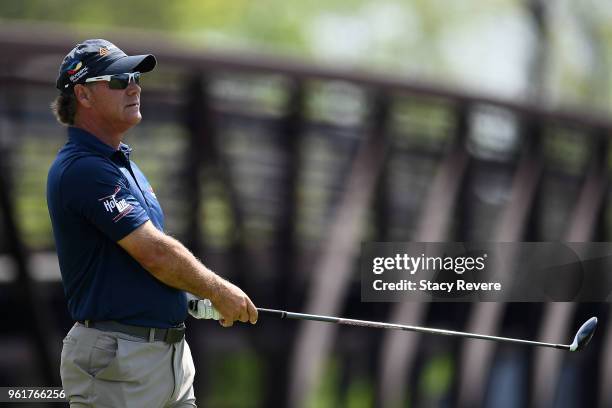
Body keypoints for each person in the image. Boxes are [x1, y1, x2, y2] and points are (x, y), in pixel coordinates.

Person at [46, 39, 258, 407]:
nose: (133, 86)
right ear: (82, 95)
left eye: (135, 78)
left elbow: (136, 263)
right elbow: (154, 253)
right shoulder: (84, 168)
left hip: (169, 359)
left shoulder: (120, 164)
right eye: (117, 80)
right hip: (119, 361)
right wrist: (216, 289)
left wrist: (187, 297)